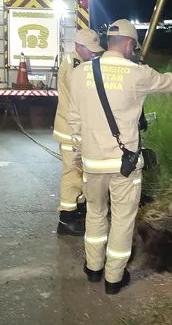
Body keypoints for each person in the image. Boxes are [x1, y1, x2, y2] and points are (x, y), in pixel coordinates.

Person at [68, 19, 172, 294]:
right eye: (133, 45)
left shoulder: (80, 73)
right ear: (127, 43)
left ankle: (93, 268)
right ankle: (113, 279)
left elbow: (74, 119)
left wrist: (78, 153)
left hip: (92, 162)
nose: (133, 50)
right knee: (123, 219)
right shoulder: (138, 73)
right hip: (124, 165)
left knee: (96, 214)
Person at [53, 29, 105, 236]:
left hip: (76, 129)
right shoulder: (75, 67)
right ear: (77, 47)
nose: (94, 54)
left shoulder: (80, 62)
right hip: (71, 130)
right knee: (72, 174)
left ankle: (79, 209)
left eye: (95, 51)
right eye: (89, 50)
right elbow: (85, 98)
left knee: (81, 173)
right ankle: (66, 219)